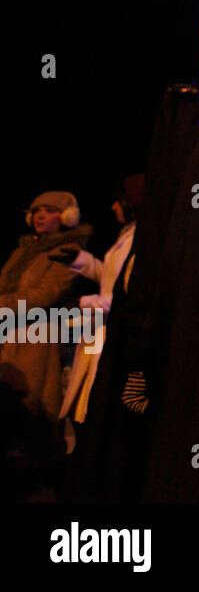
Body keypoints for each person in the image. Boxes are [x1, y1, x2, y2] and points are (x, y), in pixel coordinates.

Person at [0, 191, 94, 478]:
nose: (40, 215)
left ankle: (39, 474)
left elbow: (45, 295)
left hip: (36, 334)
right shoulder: (24, 250)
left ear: (67, 217)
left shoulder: (69, 252)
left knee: (34, 400)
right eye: (36, 210)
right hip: (9, 331)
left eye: (50, 210)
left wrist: (3, 305)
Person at [58, 176, 144, 444]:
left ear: (131, 203)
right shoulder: (127, 234)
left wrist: (86, 303)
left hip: (112, 332)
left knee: (98, 405)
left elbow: (127, 294)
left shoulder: (140, 239)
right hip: (100, 330)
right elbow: (111, 280)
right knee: (86, 405)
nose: (112, 208)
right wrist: (82, 262)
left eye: (118, 202)